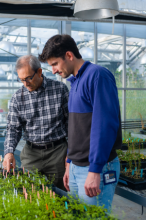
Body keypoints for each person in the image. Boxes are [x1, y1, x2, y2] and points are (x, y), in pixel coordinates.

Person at [38, 34, 122, 212]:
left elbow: (105, 126)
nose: (52, 70)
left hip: (94, 167)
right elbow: (76, 128)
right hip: (77, 166)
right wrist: (69, 162)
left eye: (54, 64)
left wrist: (95, 170)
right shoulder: (75, 82)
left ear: (69, 55)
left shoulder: (98, 76)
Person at [3, 54, 69, 190]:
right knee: (29, 192)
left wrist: (71, 154)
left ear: (39, 72)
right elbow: (13, 128)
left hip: (57, 152)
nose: (26, 84)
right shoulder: (17, 97)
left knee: (60, 193)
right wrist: (9, 152)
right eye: (21, 80)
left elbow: (71, 124)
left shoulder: (60, 90)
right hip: (31, 153)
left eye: (28, 78)